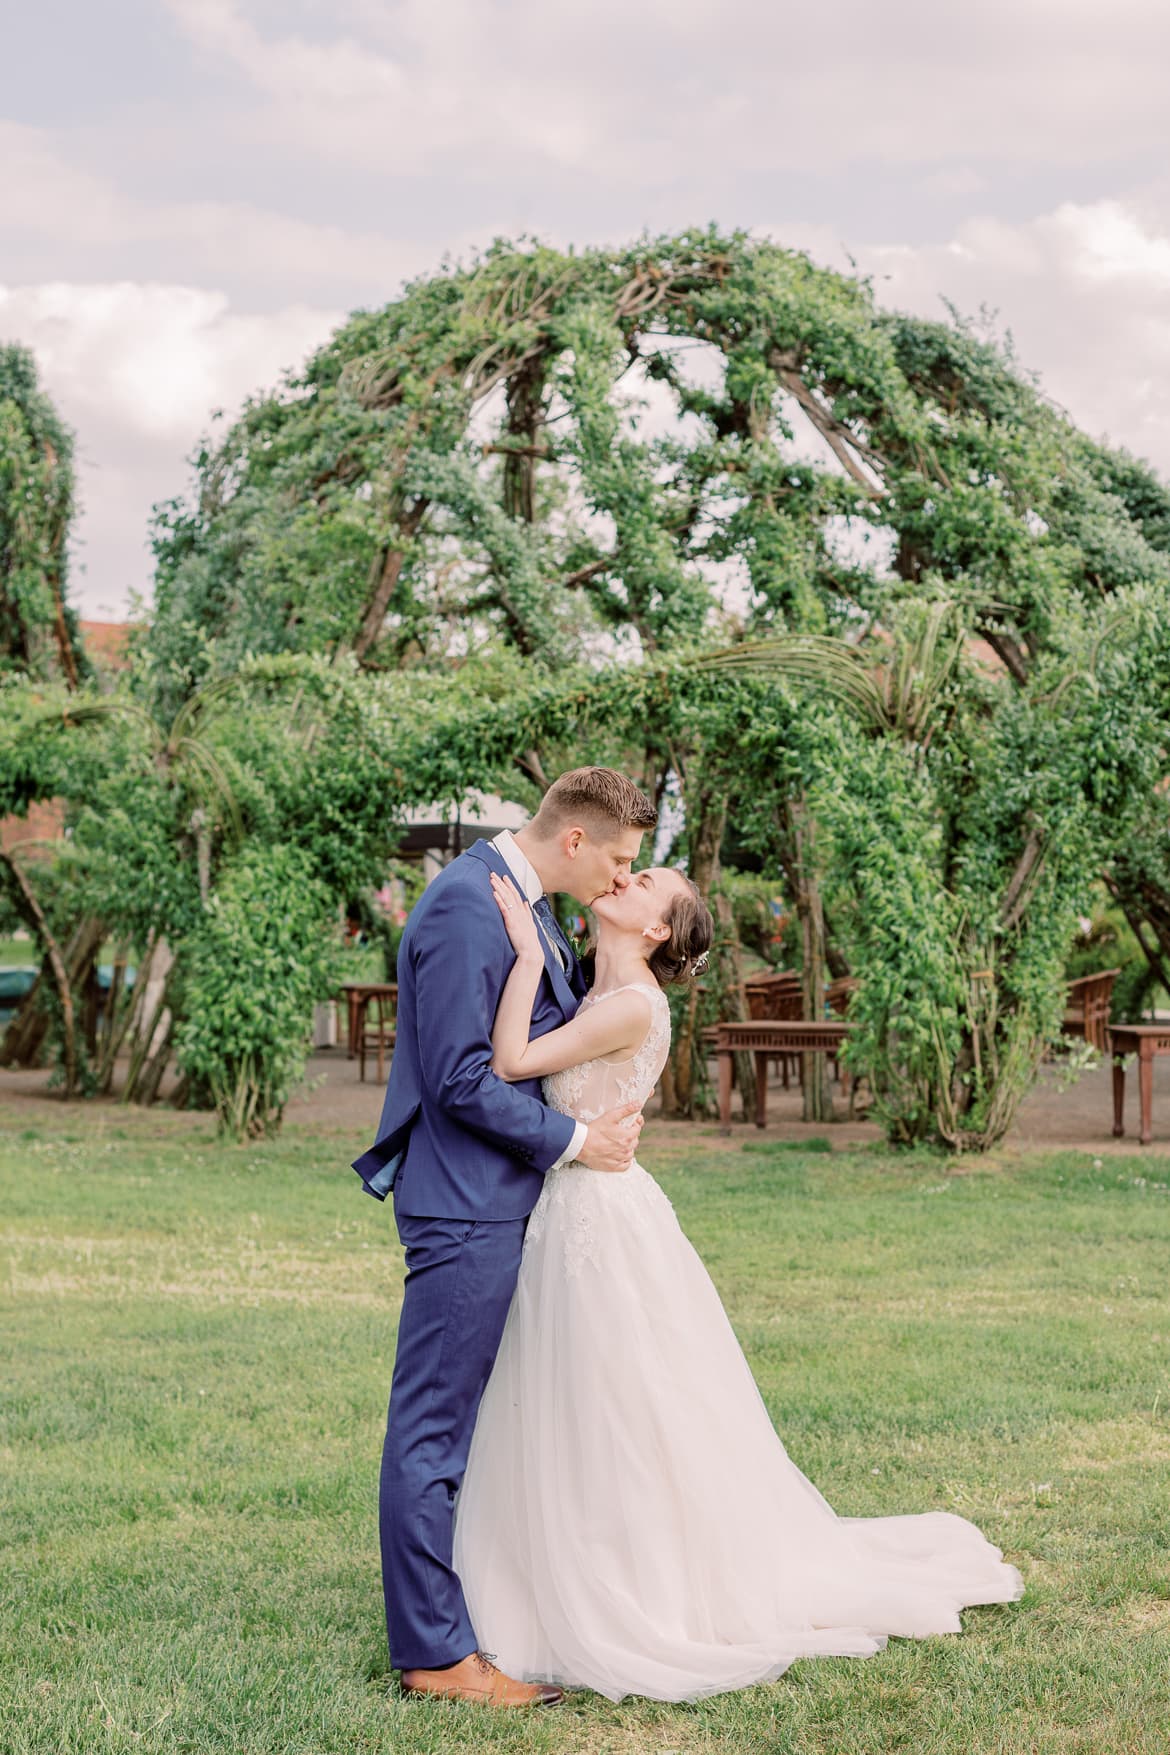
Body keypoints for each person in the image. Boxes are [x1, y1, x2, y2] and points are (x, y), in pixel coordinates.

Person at [451, 864, 1024, 1704]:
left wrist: (525, 961)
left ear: (656, 927)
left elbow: (508, 1062)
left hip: (599, 1219)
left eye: (643, 878)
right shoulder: (599, 981)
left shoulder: (634, 1002)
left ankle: (634, 1581)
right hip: (578, 1206)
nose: (622, 875)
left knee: (616, 1403)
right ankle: (544, 1569)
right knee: (571, 1397)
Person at [351, 767, 658, 1708]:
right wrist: (576, 1139)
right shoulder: (461, 908)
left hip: (502, 1202)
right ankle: (438, 1658)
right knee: (432, 1430)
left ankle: (476, 1611)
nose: (619, 879)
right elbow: (457, 1078)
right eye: (618, 859)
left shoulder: (527, 909)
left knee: (471, 1427)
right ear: (575, 840)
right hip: (463, 1205)